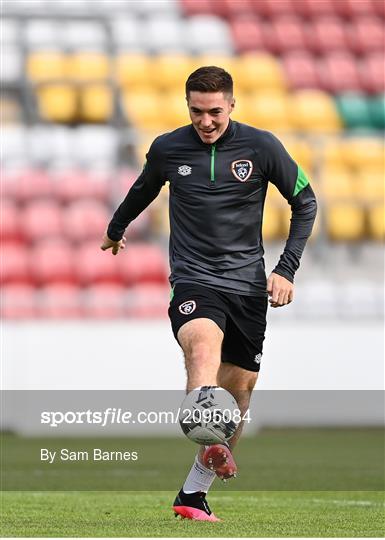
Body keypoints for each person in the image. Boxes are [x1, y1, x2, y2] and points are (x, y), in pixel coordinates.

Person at [101, 66, 317, 521]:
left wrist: (286, 269)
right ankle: (205, 424)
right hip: (194, 279)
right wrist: (116, 229)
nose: (206, 121)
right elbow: (142, 189)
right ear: (187, 107)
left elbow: (306, 201)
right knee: (203, 344)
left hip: (248, 287)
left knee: (240, 391)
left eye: (215, 111)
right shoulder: (167, 148)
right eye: (197, 111)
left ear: (232, 105)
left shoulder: (262, 147)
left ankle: (193, 494)